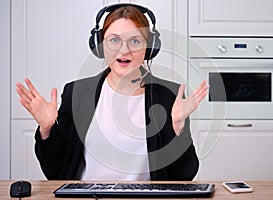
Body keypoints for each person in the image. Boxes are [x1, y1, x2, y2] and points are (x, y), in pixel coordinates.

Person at [16, 3, 209, 181]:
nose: (124, 50)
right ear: (99, 44)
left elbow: (184, 176)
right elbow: (55, 171)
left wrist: (177, 130)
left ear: (149, 48)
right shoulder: (76, 93)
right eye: (114, 40)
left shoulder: (170, 96)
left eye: (135, 41)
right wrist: (47, 129)